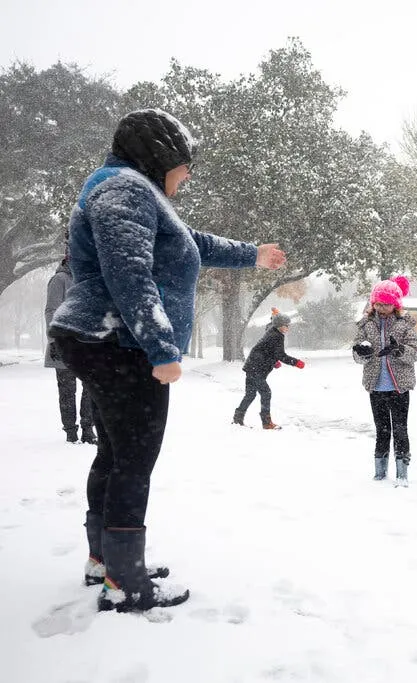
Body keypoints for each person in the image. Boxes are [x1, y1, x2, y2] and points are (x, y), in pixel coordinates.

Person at [49, 108, 287, 612]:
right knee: (134, 458)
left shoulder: (135, 190)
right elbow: (129, 271)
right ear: (160, 157)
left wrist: (251, 254)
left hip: (107, 339)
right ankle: (126, 583)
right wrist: (160, 347)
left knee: (116, 454)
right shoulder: (124, 190)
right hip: (119, 342)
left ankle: (107, 562)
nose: (189, 173)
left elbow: (188, 244)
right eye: (184, 163)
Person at [352, 275, 417, 486]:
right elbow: (356, 353)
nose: (383, 308)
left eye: (388, 304)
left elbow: (416, 352)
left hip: (399, 387)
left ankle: (402, 473)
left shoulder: (405, 326)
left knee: (400, 429)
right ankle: (380, 471)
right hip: (376, 386)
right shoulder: (366, 326)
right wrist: (362, 352)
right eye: (379, 304)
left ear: (396, 304)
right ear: (374, 303)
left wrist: (400, 350)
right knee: (381, 429)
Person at [44, 257, 95, 443]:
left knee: (91, 388)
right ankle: (71, 431)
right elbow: (51, 311)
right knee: (67, 390)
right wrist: (53, 340)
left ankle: (88, 429)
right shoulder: (59, 280)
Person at [233, 308, 305, 429]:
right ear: (280, 326)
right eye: (286, 325)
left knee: (250, 395)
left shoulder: (272, 331)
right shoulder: (277, 336)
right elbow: (280, 354)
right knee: (266, 393)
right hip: (257, 368)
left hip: (252, 366)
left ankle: (238, 418)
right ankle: (266, 422)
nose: (288, 327)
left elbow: (269, 349)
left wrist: (275, 316)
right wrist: (296, 362)